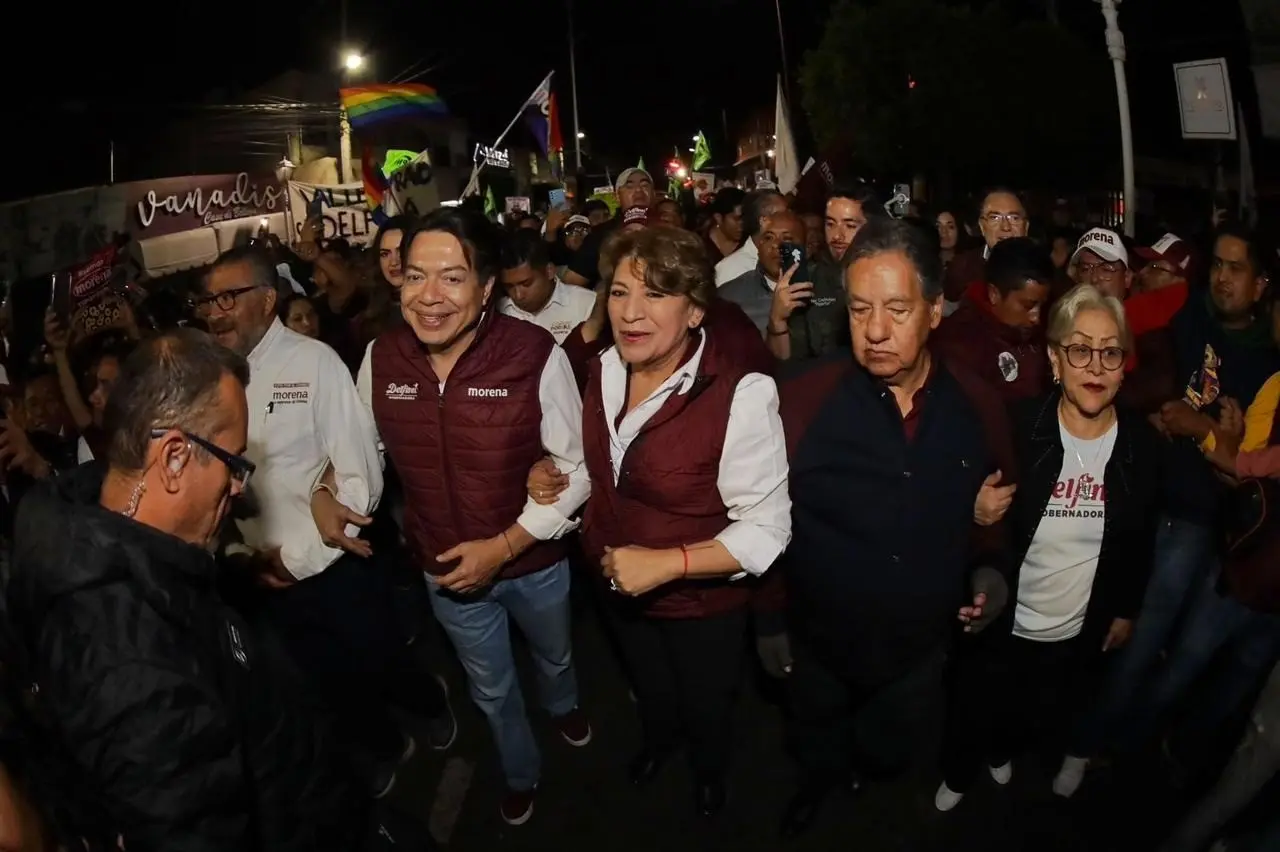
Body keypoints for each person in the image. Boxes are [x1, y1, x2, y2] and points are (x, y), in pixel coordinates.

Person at [2, 329, 373, 851]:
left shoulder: (129, 539)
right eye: (235, 462)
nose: (241, 485)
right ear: (175, 458)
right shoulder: (129, 669)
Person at [761, 218, 1014, 837]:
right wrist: (767, 618)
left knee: (887, 748)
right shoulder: (800, 399)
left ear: (933, 311)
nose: (875, 331)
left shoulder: (977, 403)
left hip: (918, 649)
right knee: (815, 736)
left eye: (897, 309)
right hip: (819, 636)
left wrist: (989, 573)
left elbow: (996, 511)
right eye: (860, 309)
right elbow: (761, 519)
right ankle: (819, 783)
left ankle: (867, 773)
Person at [528, 227, 791, 816]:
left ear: (696, 308)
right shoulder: (603, 371)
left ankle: (707, 773)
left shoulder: (740, 393)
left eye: (656, 295)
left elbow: (768, 531)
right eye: (620, 293)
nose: (631, 312)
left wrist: (668, 564)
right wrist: (548, 473)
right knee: (650, 687)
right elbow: (593, 466)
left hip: (702, 607)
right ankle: (660, 742)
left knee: (706, 702)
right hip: (615, 585)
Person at [357, 208, 593, 826]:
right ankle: (520, 771)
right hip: (445, 571)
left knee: (555, 657)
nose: (429, 297)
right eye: (414, 277)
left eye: (451, 278)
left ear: (486, 288)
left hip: (535, 562)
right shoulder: (380, 360)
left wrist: (507, 545)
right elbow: (360, 457)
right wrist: (331, 490)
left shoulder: (532, 352)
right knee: (490, 689)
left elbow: (579, 469)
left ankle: (565, 703)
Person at [196, 245, 455, 800]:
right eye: (206, 301)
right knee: (326, 683)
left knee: (382, 659)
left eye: (226, 298)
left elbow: (361, 471)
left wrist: (305, 553)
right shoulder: (207, 385)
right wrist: (244, 563)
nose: (213, 312)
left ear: (266, 300)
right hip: (260, 578)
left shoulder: (314, 364)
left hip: (339, 564)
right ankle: (383, 746)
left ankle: (429, 703)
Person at [936, 284, 1160, 809]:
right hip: (1005, 614)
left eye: (1110, 352)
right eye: (1080, 349)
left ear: (1125, 365)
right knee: (974, 702)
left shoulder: (1143, 449)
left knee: (1032, 709)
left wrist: (1126, 609)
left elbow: (1139, 539)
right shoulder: (1016, 429)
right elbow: (966, 510)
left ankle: (1004, 749)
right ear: (1056, 359)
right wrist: (971, 508)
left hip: (1075, 627)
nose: (1096, 365)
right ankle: (962, 768)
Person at [932, 236, 1051, 400]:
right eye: (1028, 305)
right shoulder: (959, 346)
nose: (1036, 317)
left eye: (1041, 305)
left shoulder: (1040, 332)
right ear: (994, 294)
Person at [498, 230, 596, 344]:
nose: (518, 295)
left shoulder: (587, 305)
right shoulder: (499, 311)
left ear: (549, 271)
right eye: (509, 286)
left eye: (526, 284)